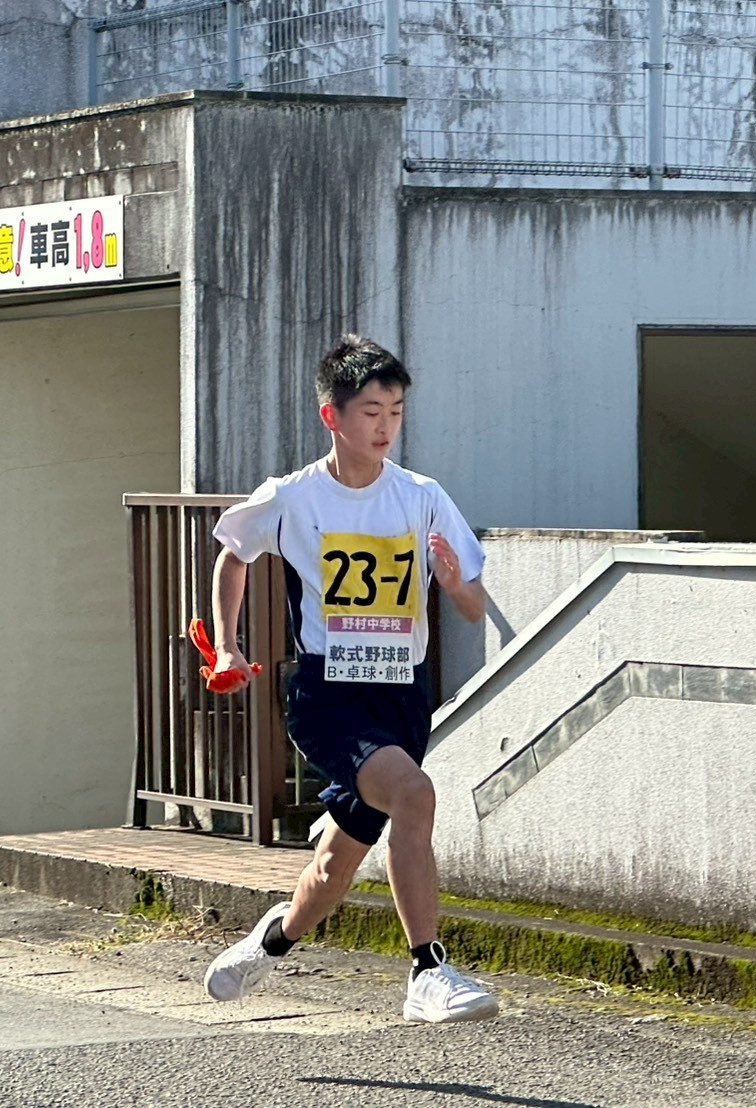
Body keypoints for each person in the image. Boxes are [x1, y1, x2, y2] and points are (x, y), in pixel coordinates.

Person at [199, 334, 498, 1024]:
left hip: (402, 694)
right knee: (415, 794)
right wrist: (228, 646)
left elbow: (474, 605)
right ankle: (427, 970)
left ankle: (270, 942)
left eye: (396, 411)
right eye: (371, 412)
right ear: (331, 416)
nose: (386, 426)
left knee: (335, 868)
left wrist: (456, 585)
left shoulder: (421, 496)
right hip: (327, 694)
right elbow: (233, 554)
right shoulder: (293, 496)